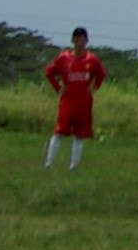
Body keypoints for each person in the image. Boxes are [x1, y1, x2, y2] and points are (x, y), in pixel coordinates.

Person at [44, 27, 106, 171]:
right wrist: (58, 88)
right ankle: (48, 163)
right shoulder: (64, 58)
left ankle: (73, 166)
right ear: (72, 41)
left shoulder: (92, 60)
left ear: (87, 41)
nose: (80, 43)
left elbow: (101, 74)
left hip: (84, 101)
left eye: (82, 40)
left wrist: (94, 87)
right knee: (59, 131)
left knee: (80, 134)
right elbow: (49, 72)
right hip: (68, 100)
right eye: (77, 39)